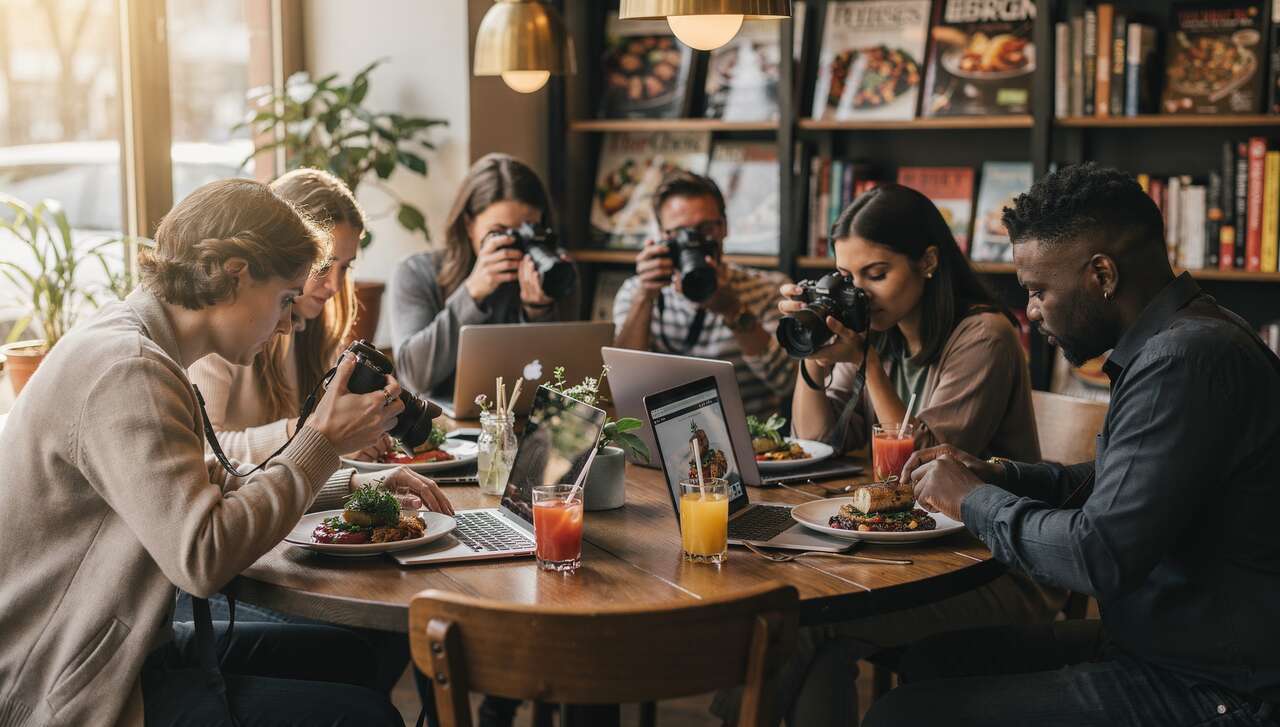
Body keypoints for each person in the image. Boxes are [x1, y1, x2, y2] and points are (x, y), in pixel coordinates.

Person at [0, 179, 452, 727]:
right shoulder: (129, 369)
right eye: (284, 299)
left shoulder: (141, 347)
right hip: (65, 683)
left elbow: (213, 481)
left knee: (352, 658)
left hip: (122, 647)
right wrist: (321, 442)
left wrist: (353, 484)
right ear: (236, 273)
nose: (287, 323)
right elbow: (202, 557)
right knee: (362, 716)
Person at [865, 163, 1280, 727]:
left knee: (901, 716)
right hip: (1163, 648)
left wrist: (970, 500)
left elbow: (1096, 555)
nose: (1031, 311)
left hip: (1212, 685)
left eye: (1038, 291)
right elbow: (1117, 484)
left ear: (1102, 274)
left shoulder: (1182, 360)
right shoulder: (1190, 335)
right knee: (932, 661)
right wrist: (997, 475)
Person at [712, 184, 1057, 727]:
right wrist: (814, 360)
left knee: (803, 623)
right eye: (847, 278)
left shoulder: (984, 336)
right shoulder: (880, 330)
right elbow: (815, 438)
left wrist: (867, 362)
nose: (861, 293)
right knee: (802, 625)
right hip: (903, 551)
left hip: (990, 568)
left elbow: (924, 469)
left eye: (876, 274)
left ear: (928, 262)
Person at [180, 168, 411, 697]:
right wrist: (311, 434)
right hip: (240, 573)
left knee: (393, 631)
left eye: (345, 267)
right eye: (324, 267)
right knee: (373, 639)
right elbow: (213, 456)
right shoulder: (219, 336)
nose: (333, 285)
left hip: (275, 541)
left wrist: (357, 460)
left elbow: (263, 465)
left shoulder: (308, 329)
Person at [612, 171, 795, 418]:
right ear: (662, 236)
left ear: (724, 227)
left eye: (705, 229)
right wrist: (645, 297)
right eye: (680, 233)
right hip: (662, 437)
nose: (694, 242)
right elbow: (622, 385)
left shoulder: (769, 289)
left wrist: (732, 309)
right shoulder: (637, 291)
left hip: (751, 437)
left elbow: (787, 382)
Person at [390, 153, 566, 399]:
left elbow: (562, 383)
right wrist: (472, 293)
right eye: (499, 232)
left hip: (522, 418)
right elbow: (414, 377)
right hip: (442, 420)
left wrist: (538, 312)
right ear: (469, 225)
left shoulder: (554, 271)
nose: (515, 243)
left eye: (528, 230)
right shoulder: (416, 272)